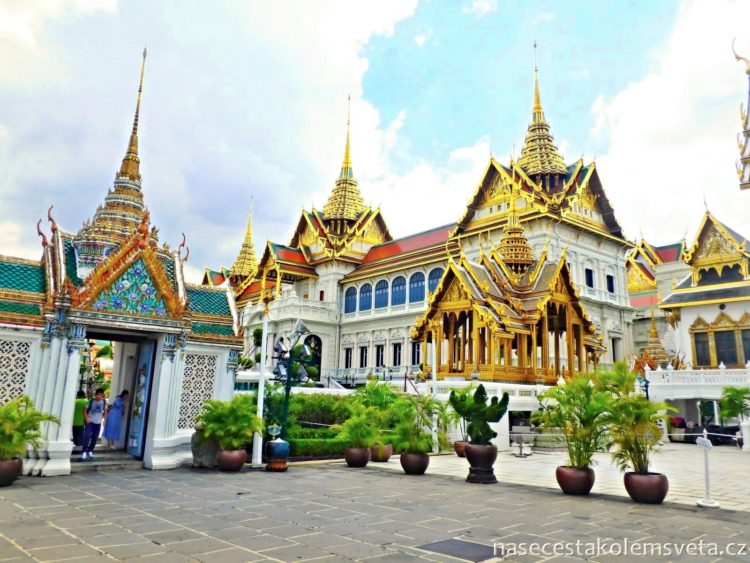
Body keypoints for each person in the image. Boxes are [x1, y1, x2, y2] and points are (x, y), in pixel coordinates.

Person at [81, 388, 107, 461]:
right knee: (87, 435)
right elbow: (85, 410)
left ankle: (90, 450)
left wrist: (105, 420)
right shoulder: (91, 401)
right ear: (95, 395)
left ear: (102, 395)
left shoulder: (104, 402)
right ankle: (84, 451)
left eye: (101, 395)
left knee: (95, 437)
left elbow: (105, 411)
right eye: (98, 395)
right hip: (90, 421)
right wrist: (86, 418)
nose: (99, 396)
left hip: (98, 423)